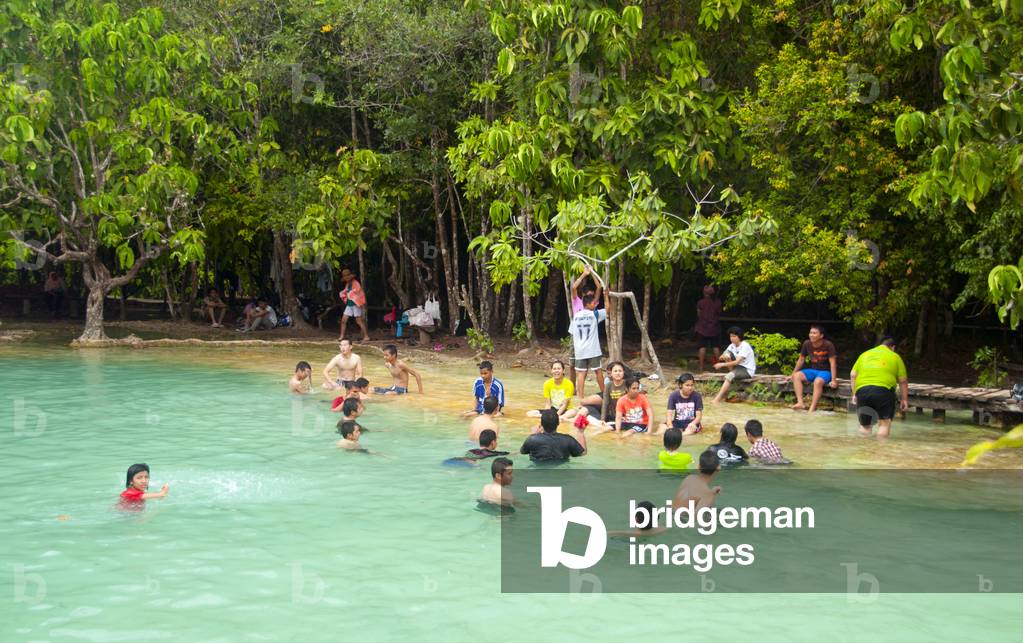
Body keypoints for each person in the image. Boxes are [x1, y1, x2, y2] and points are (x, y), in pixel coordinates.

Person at [850, 337, 909, 438]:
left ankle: (863, 449)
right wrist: (904, 399)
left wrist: (854, 393)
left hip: (862, 391)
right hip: (883, 391)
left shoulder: (864, 354)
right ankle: (880, 451)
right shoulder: (895, 356)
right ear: (893, 347)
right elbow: (903, 380)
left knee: (865, 426)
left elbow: (853, 375)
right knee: (884, 424)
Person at [788, 325, 839, 412]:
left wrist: (833, 380)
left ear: (821, 336)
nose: (811, 335)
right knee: (796, 376)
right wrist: (792, 374)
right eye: (810, 333)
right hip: (813, 370)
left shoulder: (828, 345)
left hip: (825, 372)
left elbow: (833, 363)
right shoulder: (807, 343)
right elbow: (801, 360)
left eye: (814, 333)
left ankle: (812, 408)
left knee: (818, 381)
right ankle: (800, 403)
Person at [569, 292, 608, 399]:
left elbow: (572, 332)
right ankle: (604, 394)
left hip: (580, 350)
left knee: (581, 373)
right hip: (592, 349)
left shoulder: (576, 316)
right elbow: (608, 309)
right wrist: (606, 296)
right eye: (593, 303)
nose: (595, 305)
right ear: (588, 304)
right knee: (598, 371)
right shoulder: (594, 314)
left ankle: (580, 397)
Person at [519, 408, 587, 463]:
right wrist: (580, 432)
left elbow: (522, 452)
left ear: (541, 424)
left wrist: (534, 435)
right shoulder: (568, 440)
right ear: (558, 423)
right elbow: (583, 453)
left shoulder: (532, 439)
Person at [711, 326, 757, 404]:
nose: (732, 338)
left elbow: (737, 362)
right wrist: (724, 356)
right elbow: (721, 356)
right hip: (737, 368)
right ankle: (732, 372)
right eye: (730, 336)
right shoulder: (732, 345)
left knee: (729, 376)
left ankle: (717, 399)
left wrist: (722, 365)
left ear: (739, 337)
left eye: (734, 336)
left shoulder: (745, 346)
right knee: (727, 355)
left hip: (746, 370)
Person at [338, 267, 371, 342]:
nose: (346, 279)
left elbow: (358, 292)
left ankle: (366, 336)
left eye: (347, 277)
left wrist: (350, 292)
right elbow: (346, 292)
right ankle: (341, 336)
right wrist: (345, 292)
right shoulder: (347, 284)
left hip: (356, 304)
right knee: (343, 320)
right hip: (349, 305)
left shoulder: (356, 283)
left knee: (359, 321)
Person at [695, 285, 722, 372]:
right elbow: (719, 313)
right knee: (716, 347)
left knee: (702, 347)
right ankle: (719, 367)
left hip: (703, 328)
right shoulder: (717, 302)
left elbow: (699, 314)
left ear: (705, 293)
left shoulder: (701, 302)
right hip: (714, 327)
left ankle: (701, 367)